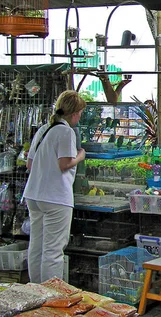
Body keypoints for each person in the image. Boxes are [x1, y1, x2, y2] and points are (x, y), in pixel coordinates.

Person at [24, 90, 86, 283]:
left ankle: (35, 291)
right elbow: (64, 164)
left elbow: (29, 164)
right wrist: (80, 156)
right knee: (53, 250)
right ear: (75, 113)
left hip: (34, 195)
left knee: (37, 246)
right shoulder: (66, 131)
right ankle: (51, 297)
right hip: (56, 198)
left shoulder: (44, 129)